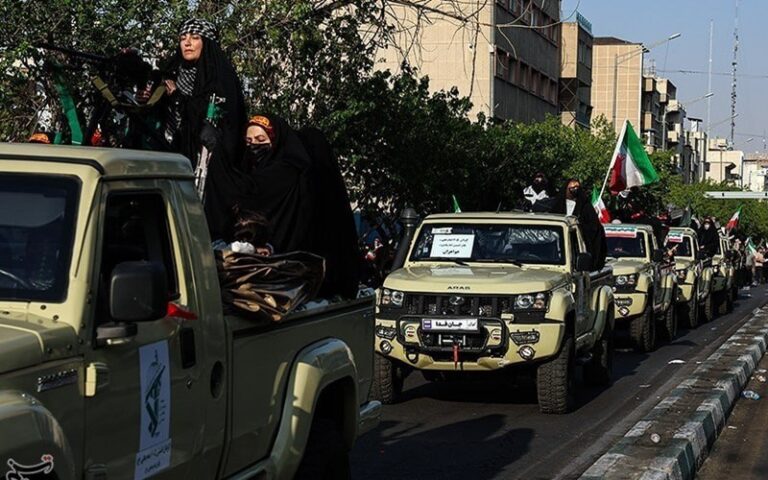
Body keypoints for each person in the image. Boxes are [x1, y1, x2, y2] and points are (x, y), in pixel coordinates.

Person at [162, 18, 247, 240]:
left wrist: (179, 98)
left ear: (207, 43)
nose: (187, 43)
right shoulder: (173, 72)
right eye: (182, 38)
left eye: (195, 38)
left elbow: (219, 117)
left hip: (209, 161)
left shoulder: (220, 76)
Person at [550, 178, 607, 271]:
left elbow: (594, 228)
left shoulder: (585, 206)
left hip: (578, 245)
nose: (574, 190)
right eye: (572, 188)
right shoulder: (557, 204)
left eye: (577, 187)